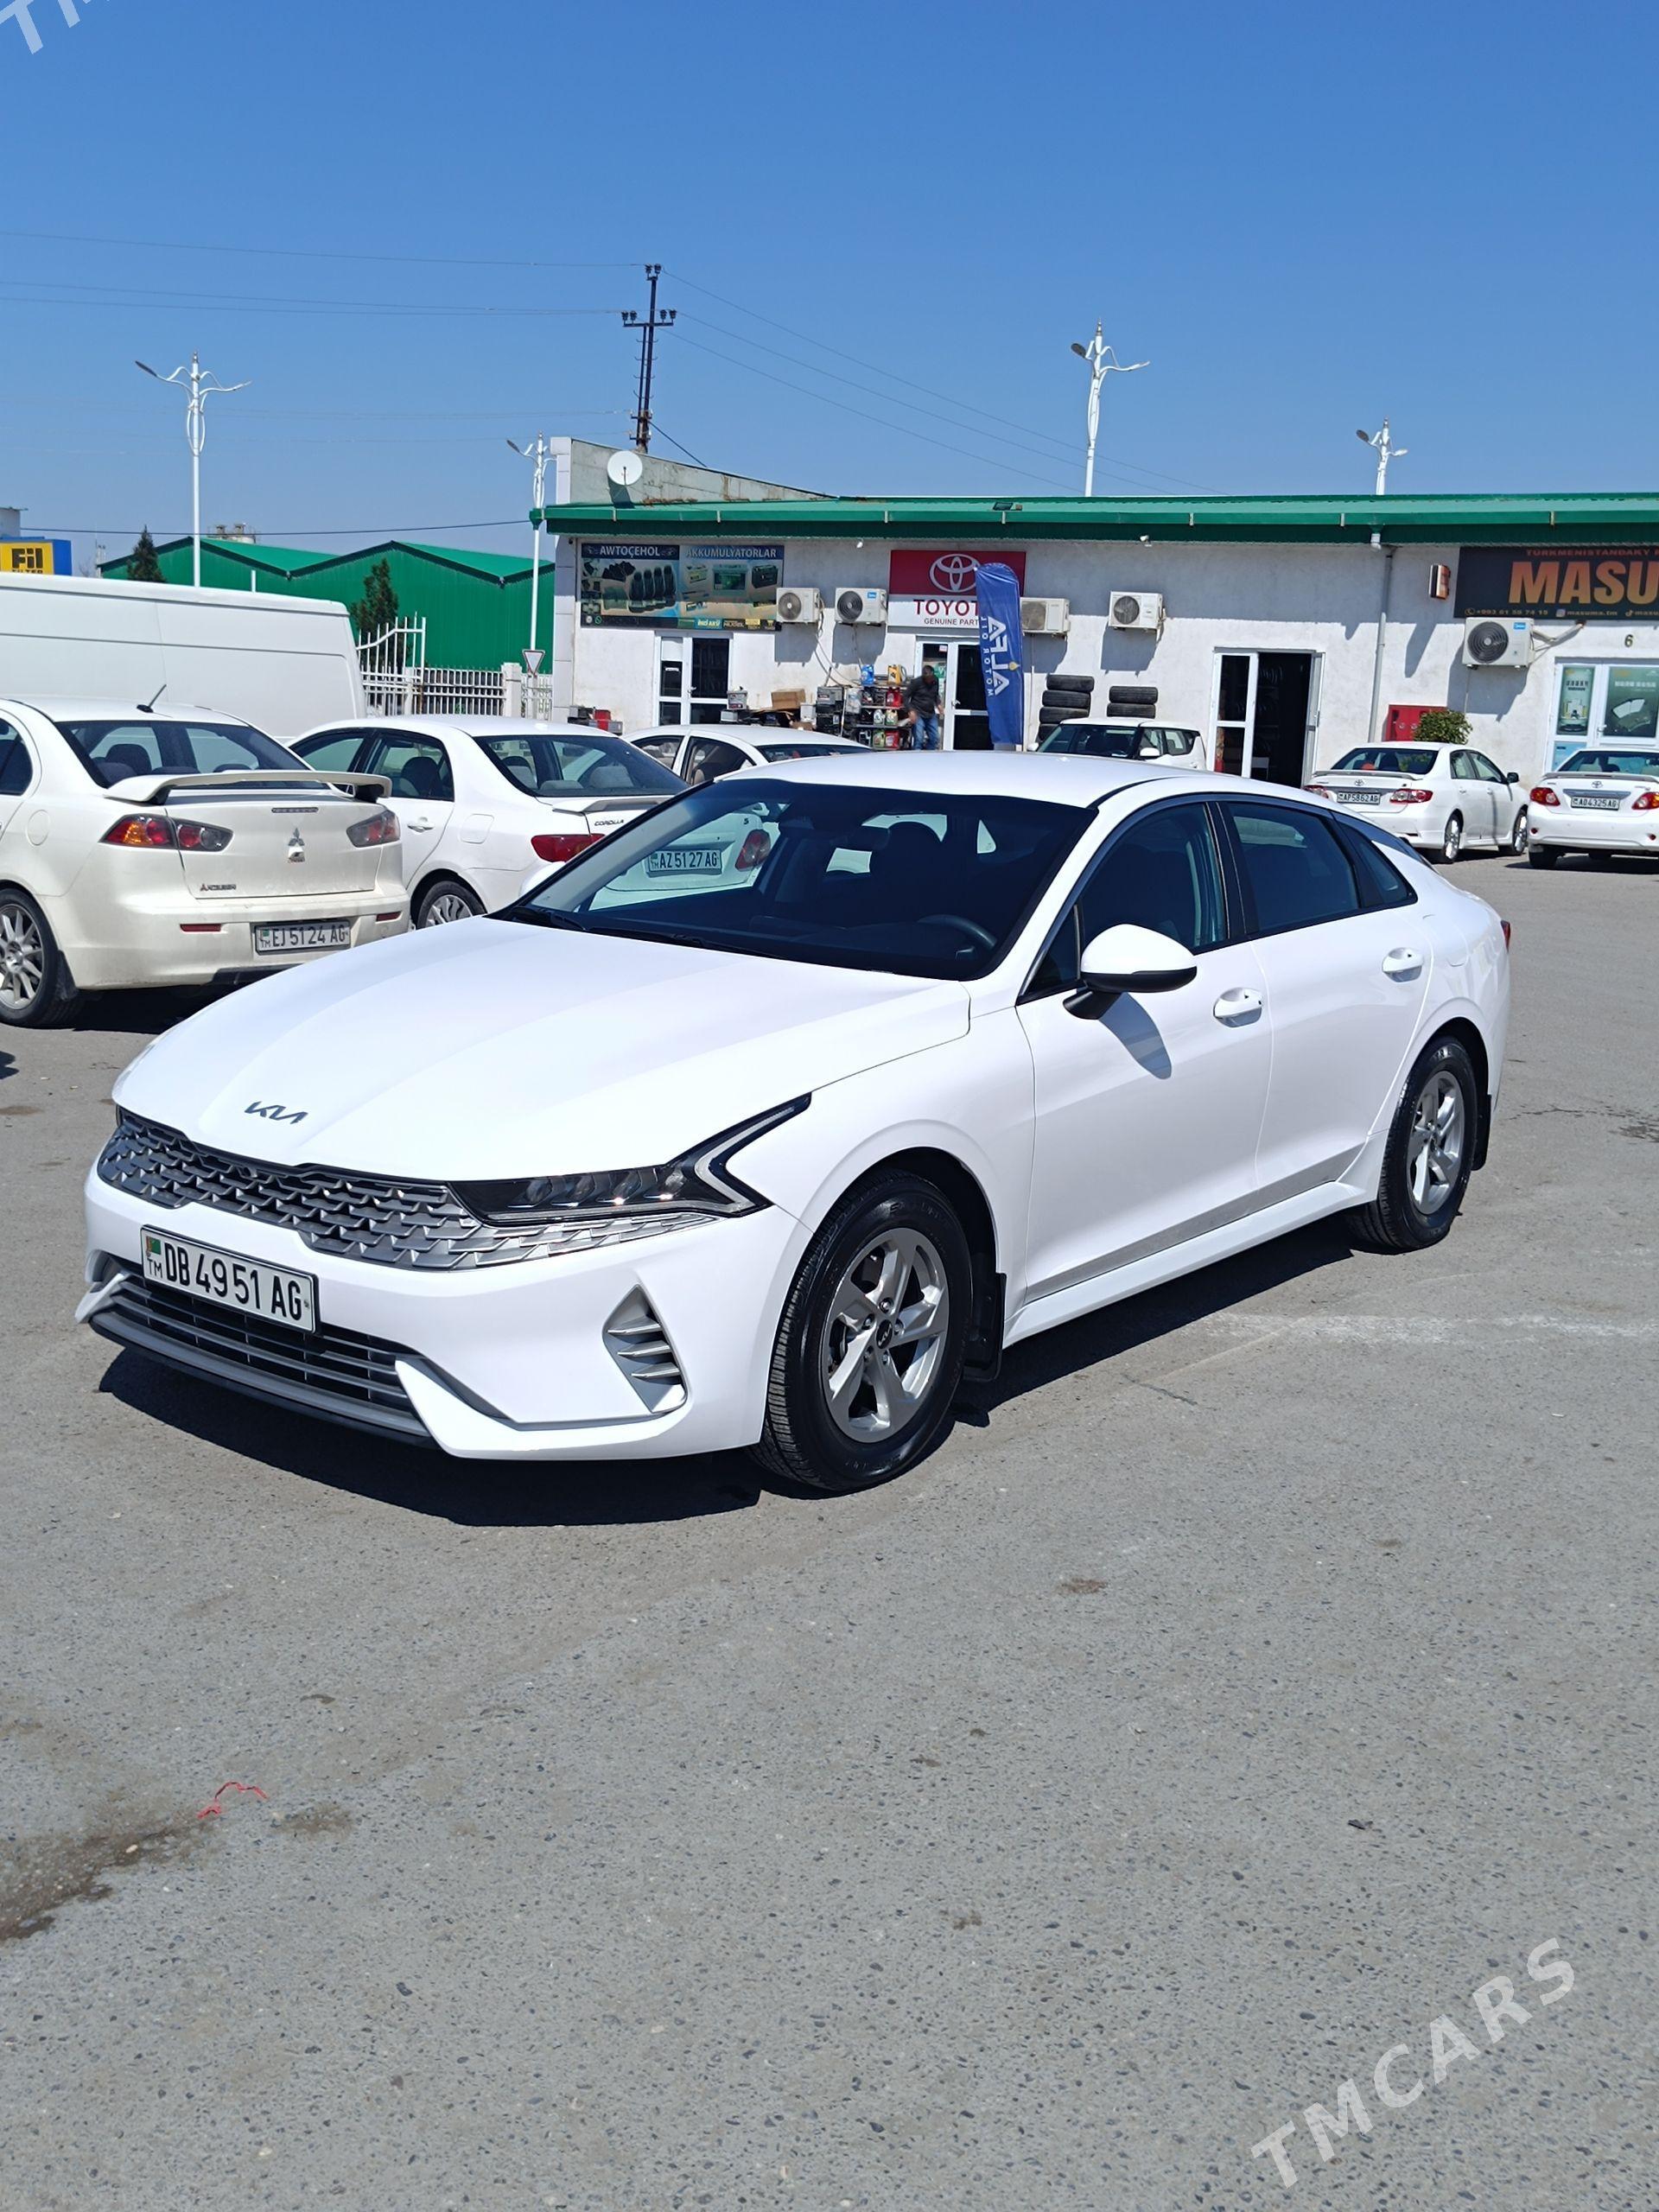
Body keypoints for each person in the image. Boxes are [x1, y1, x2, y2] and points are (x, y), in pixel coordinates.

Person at [905, 662, 942, 749]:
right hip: (918, 713)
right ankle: (917, 755)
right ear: (923, 677)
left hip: (930, 713)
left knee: (934, 738)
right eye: (927, 679)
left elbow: (935, 695)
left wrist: (939, 704)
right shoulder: (916, 682)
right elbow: (905, 696)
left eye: (931, 678)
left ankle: (929, 754)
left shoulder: (935, 681)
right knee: (919, 739)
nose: (929, 680)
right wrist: (910, 710)